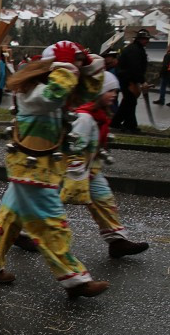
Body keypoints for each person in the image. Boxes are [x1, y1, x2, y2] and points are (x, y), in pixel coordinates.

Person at [0, 41, 109, 299]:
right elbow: (56, 93)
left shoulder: (53, 86)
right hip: (32, 170)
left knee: (10, 218)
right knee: (51, 223)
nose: (74, 73)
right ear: (53, 68)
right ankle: (75, 279)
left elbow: (89, 96)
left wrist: (91, 68)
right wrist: (68, 65)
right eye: (71, 68)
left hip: (37, 169)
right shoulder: (33, 92)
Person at [60, 71, 149, 258]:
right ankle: (24, 232)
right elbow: (75, 147)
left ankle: (117, 240)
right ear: (97, 92)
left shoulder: (98, 116)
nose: (114, 95)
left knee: (105, 201)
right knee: (49, 204)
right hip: (73, 173)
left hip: (91, 170)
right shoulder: (85, 118)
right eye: (110, 91)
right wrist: (76, 173)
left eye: (116, 92)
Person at [111, 29, 150, 133]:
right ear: (140, 39)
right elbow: (135, 67)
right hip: (127, 79)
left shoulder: (137, 49)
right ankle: (130, 125)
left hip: (128, 78)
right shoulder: (134, 50)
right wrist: (142, 81)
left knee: (128, 102)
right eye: (145, 39)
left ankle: (117, 122)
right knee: (130, 101)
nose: (147, 41)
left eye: (147, 39)